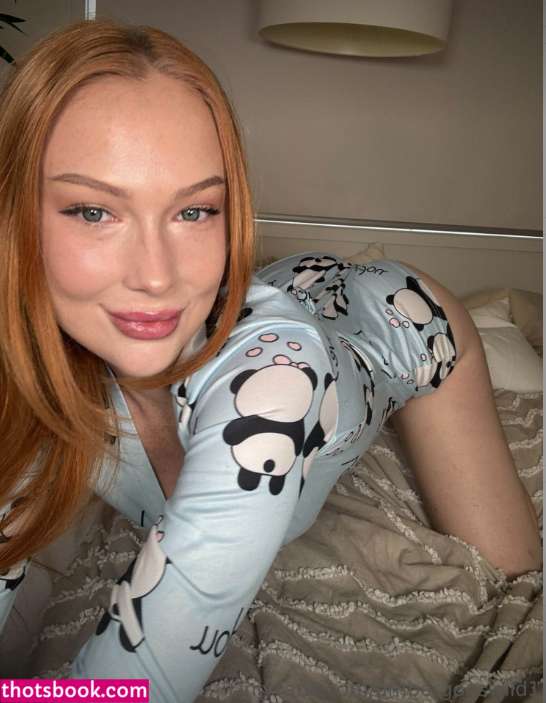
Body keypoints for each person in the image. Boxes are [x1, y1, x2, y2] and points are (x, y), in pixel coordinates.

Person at [0, 17, 541, 703]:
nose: (157, 276)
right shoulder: (23, 354)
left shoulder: (274, 381)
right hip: (279, 294)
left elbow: (134, 687)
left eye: (196, 211)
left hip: (401, 318)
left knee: (514, 579)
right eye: (93, 211)